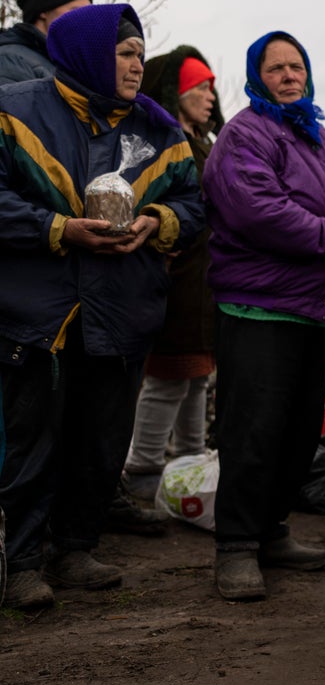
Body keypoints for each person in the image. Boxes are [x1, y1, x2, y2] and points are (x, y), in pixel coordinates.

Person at [0, 3, 202, 608]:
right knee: (34, 437)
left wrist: (158, 221)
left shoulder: (159, 130)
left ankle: (78, 548)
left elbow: (194, 203)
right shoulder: (16, 110)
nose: (138, 65)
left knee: (101, 437)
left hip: (120, 310)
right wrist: (58, 228)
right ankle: (23, 562)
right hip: (40, 313)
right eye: (125, 53)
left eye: (141, 53)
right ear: (88, 53)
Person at [202, 31, 325, 601]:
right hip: (258, 305)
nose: (289, 76)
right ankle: (235, 546)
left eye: (297, 66)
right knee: (253, 430)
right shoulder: (245, 134)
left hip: (314, 308)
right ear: (257, 76)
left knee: (297, 432)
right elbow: (254, 207)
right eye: (277, 68)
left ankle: (273, 530)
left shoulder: (324, 140)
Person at [111, 47, 225, 530]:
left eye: (211, 86)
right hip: (173, 281)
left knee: (196, 374)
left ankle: (191, 463)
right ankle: (144, 466)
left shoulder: (207, 142)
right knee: (168, 375)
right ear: (175, 93)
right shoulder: (165, 143)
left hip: (203, 281)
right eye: (199, 85)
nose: (209, 95)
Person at [0, 0, 91, 86]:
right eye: (76, 11)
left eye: (89, 13)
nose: (86, 19)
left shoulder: (64, 63)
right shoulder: (11, 60)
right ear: (43, 11)